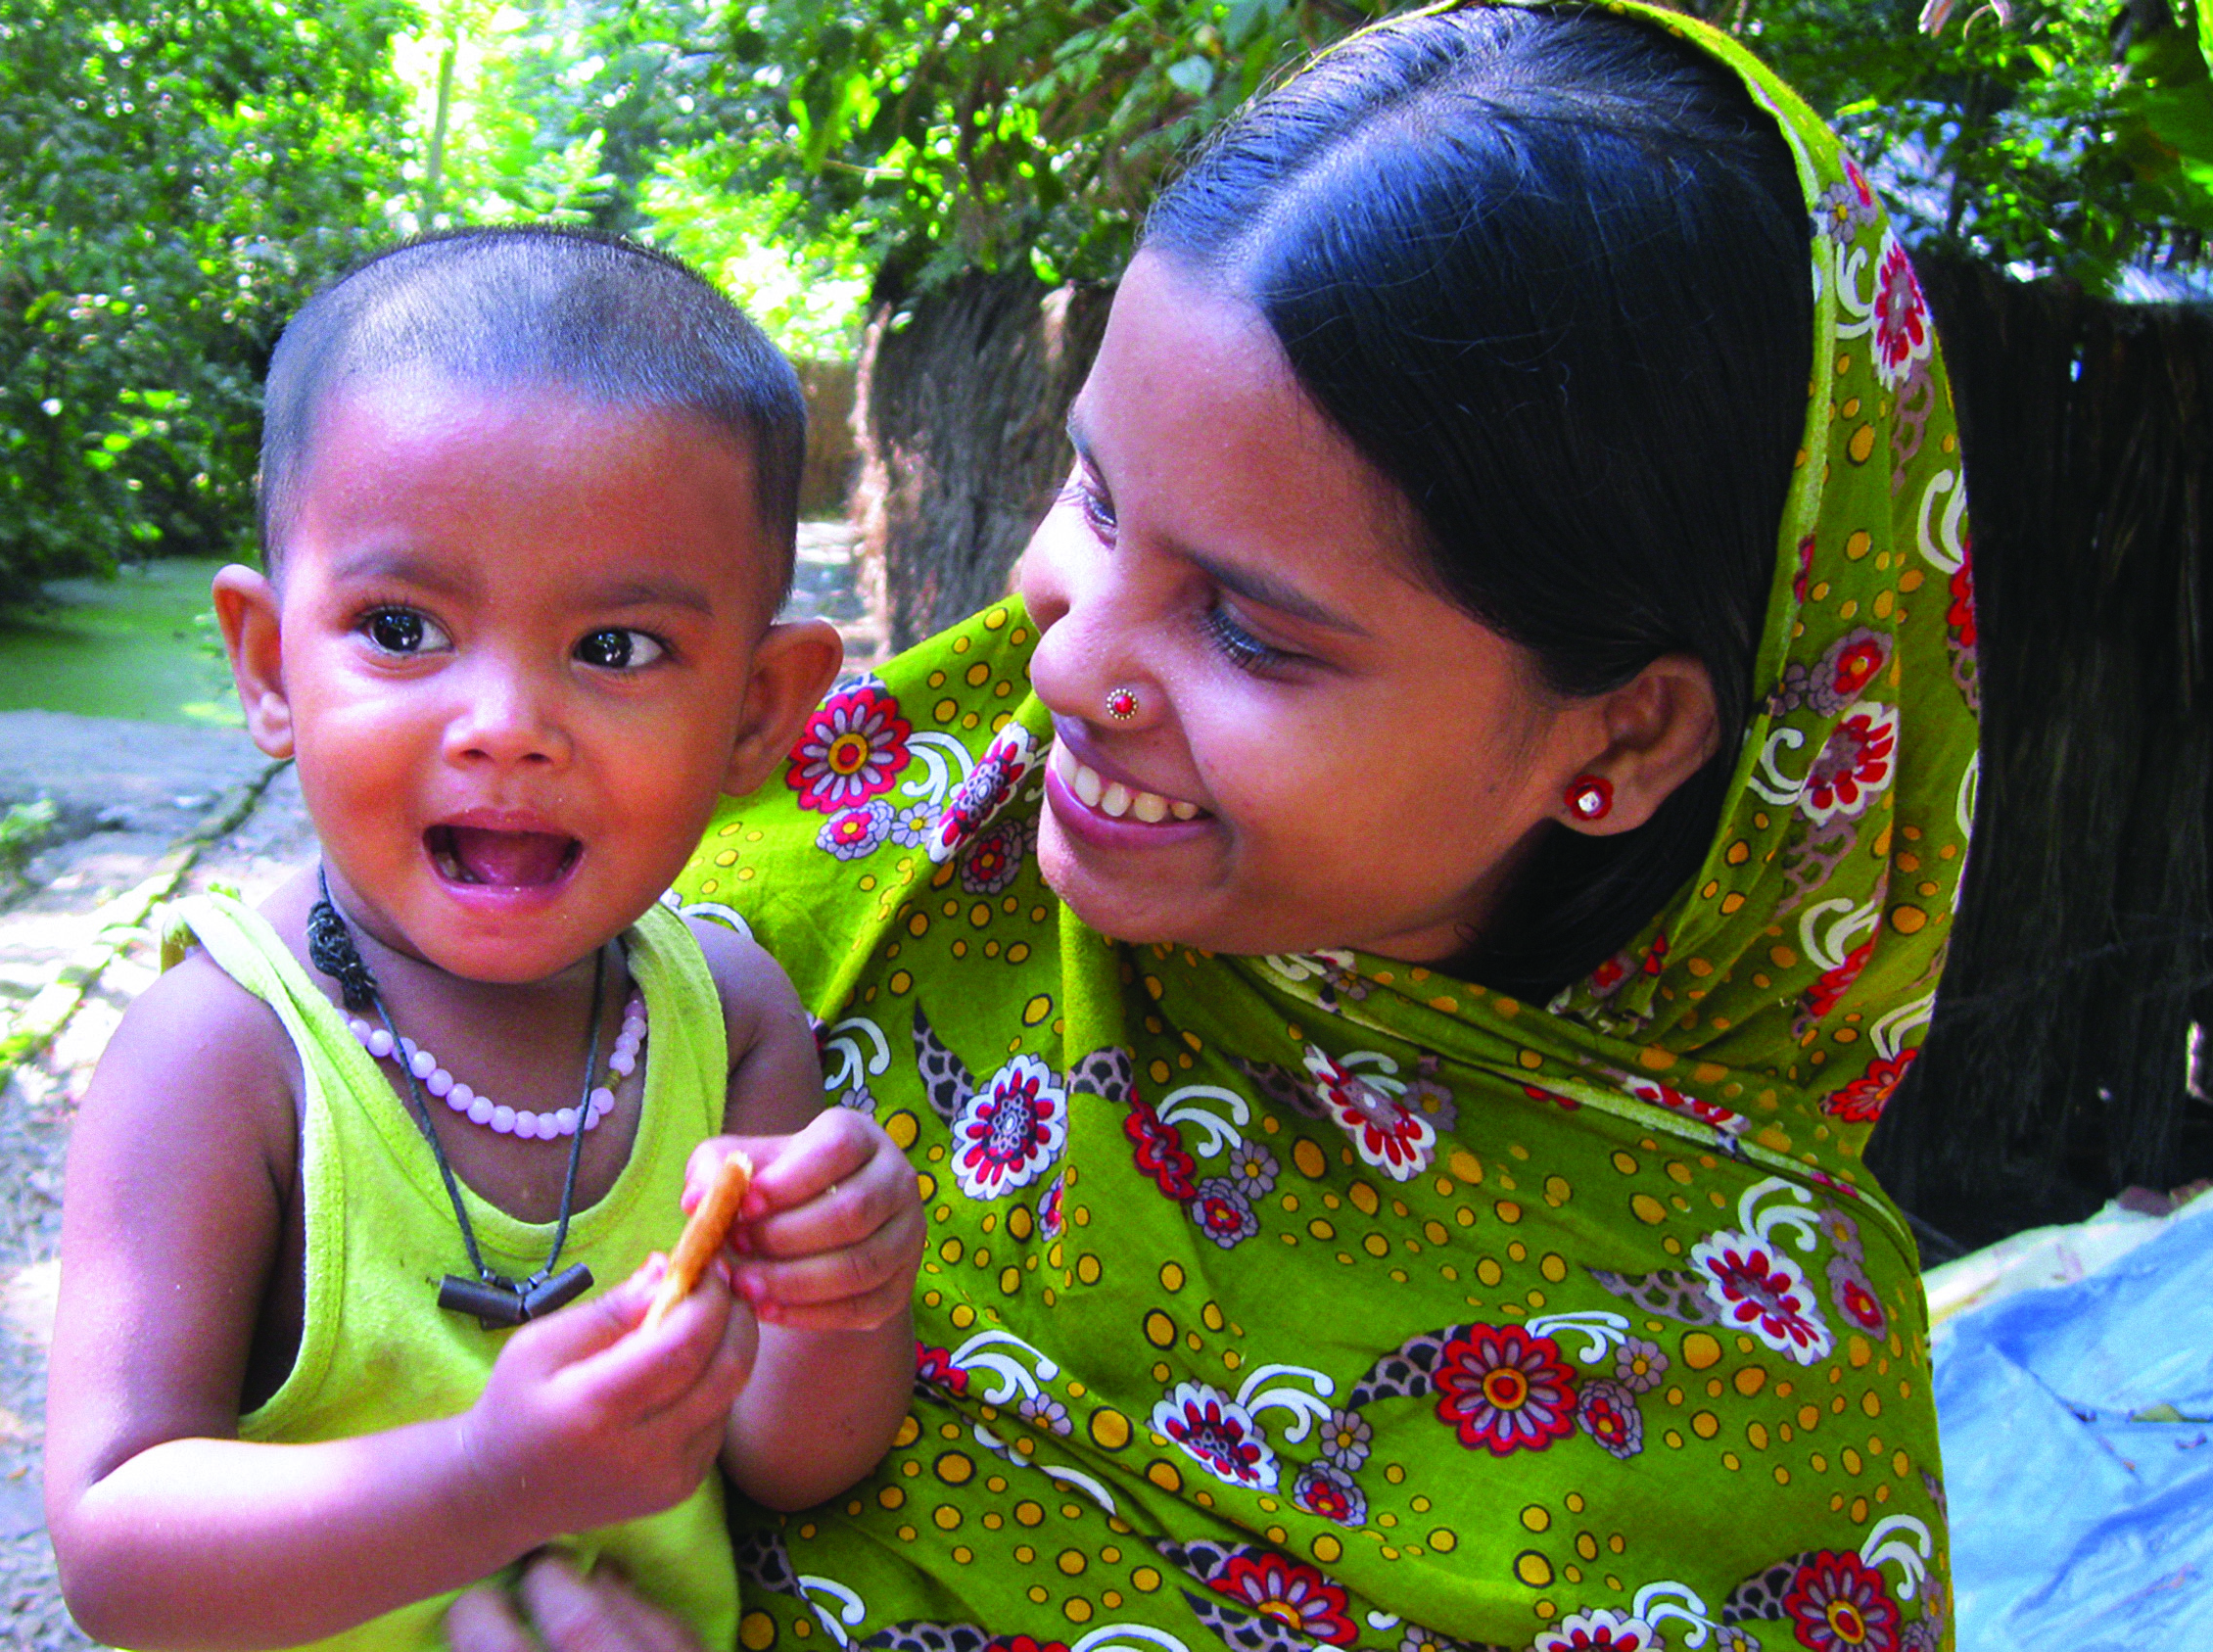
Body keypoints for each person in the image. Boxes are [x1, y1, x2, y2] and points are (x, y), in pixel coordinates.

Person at [448, 4, 1975, 1650]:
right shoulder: (786, 883)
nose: (1071, 656)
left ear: (1624, 733)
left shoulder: (1746, 1382)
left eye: (1250, 628)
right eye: (1097, 500)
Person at [41, 227, 927, 1652]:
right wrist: (486, 1480)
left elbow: (787, 1454)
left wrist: (849, 1291)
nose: (507, 723)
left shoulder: (734, 1022)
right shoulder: (226, 1059)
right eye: (402, 626)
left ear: (763, 711)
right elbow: (117, 1549)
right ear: (271, 665)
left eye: (617, 647)